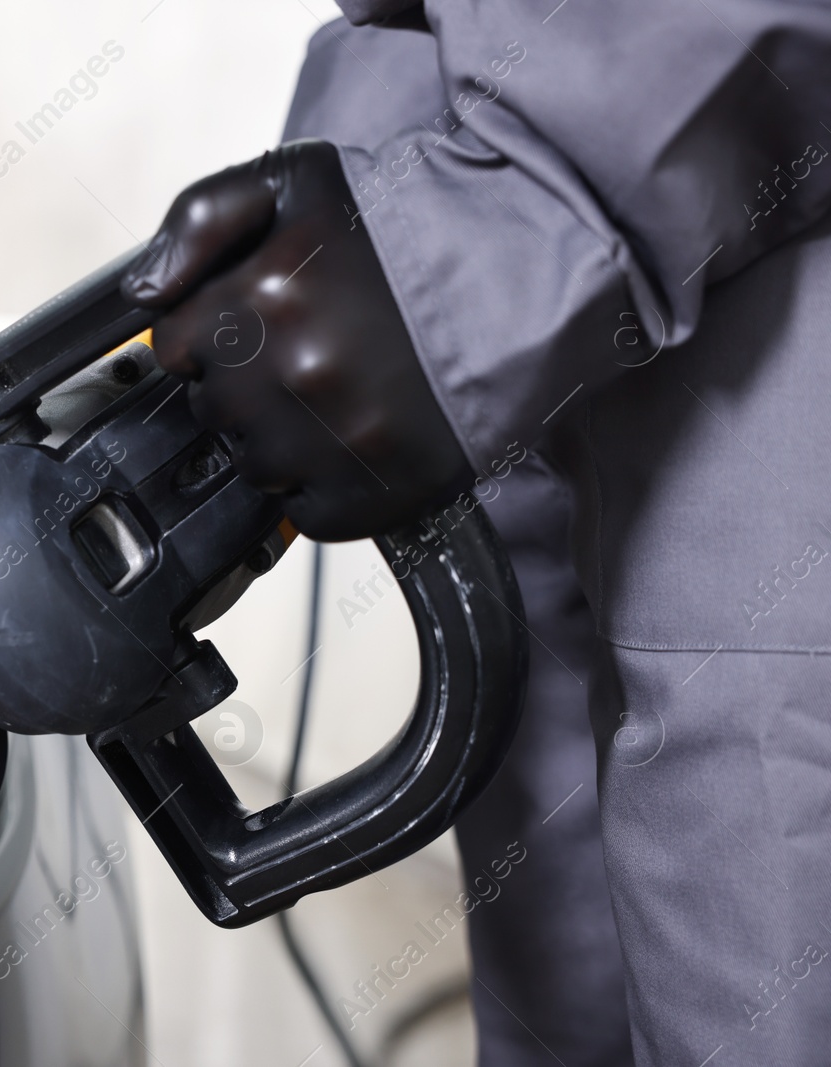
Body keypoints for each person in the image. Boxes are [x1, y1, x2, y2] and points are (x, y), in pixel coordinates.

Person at [119, 2, 831, 1063]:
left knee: (757, 944)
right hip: (529, 242)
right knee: (558, 941)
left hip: (757, 239)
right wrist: (372, 170)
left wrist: (499, 221)